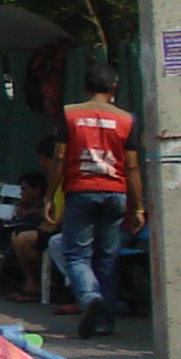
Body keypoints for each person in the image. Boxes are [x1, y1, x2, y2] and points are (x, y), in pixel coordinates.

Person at [57, 68, 142, 340]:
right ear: (114, 87)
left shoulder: (69, 114)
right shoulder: (127, 119)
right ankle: (104, 321)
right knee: (108, 257)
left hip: (80, 191)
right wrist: (137, 205)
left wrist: (50, 197)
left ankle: (89, 295)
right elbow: (132, 166)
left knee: (76, 255)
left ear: (85, 87)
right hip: (116, 192)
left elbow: (59, 158)